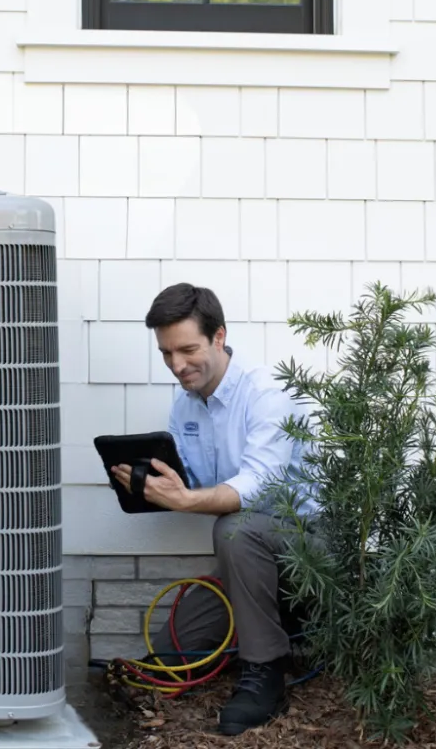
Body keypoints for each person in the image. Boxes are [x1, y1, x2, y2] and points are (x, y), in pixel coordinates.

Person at [108, 283, 317, 736]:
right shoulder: (185, 408)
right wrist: (153, 488)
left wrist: (185, 500)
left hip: (314, 550)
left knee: (236, 529)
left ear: (219, 337)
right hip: (253, 560)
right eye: (166, 353)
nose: (177, 365)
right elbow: (201, 489)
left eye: (187, 349)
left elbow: (256, 488)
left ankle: (266, 670)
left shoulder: (266, 393)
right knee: (168, 658)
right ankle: (281, 617)